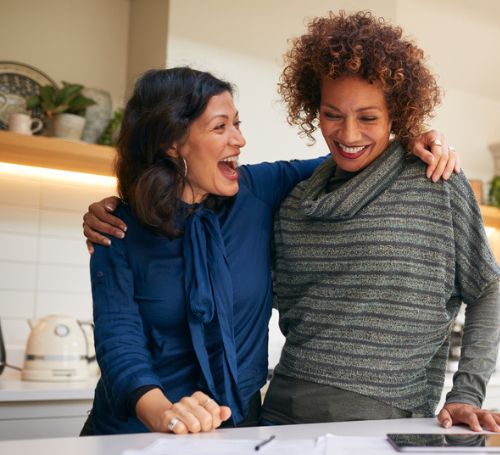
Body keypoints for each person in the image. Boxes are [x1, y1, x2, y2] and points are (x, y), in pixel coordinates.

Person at [82, 66, 456, 435]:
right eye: (220, 127)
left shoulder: (256, 192)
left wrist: (408, 141)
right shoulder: (118, 229)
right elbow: (119, 342)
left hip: (236, 431)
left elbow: (352, 155)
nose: (239, 140)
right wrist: (164, 413)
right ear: (171, 142)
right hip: (139, 430)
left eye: (237, 124)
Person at [260, 11, 500, 433]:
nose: (348, 134)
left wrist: (466, 394)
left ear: (397, 115)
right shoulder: (294, 203)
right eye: (332, 114)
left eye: (368, 118)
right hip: (278, 411)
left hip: (386, 419)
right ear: (313, 108)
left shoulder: (435, 182)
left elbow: (485, 292)